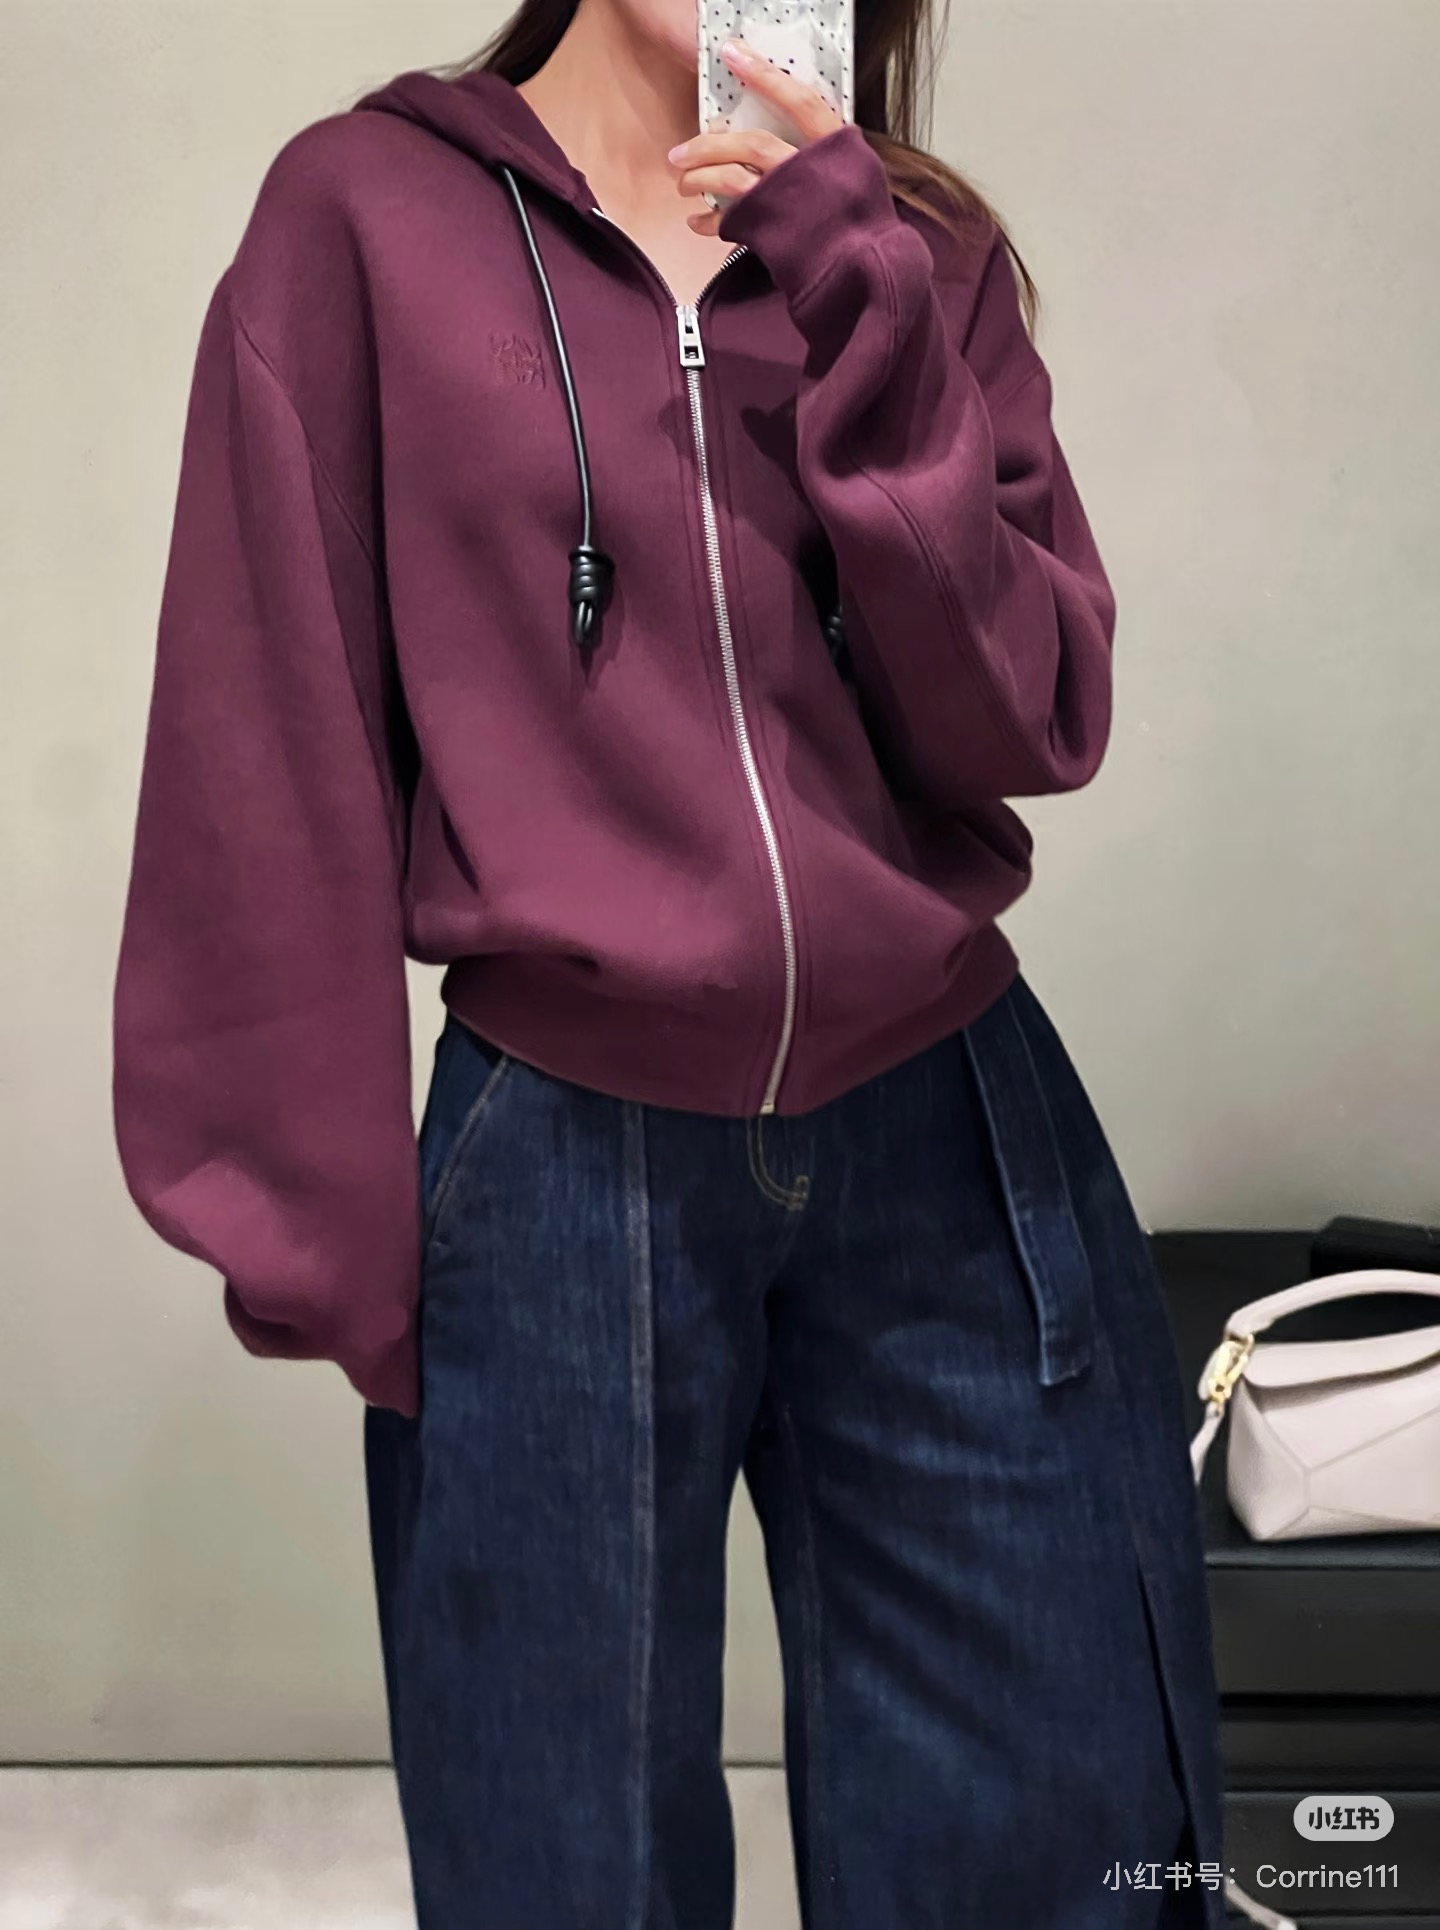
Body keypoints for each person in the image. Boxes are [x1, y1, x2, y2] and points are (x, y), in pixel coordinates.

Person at [111, 0, 1242, 1924]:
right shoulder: (362, 214)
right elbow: (265, 727)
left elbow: (1029, 714)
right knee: (568, 1872)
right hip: (563, 1165)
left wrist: (860, 278)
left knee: (1054, 1844)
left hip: (945, 1131)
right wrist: (314, 1220)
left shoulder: (914, 247)